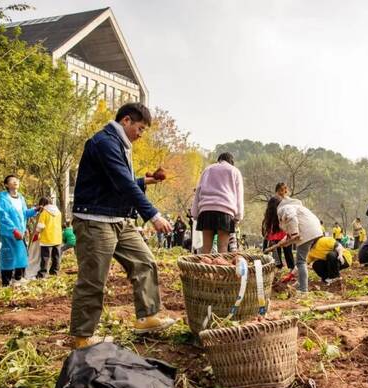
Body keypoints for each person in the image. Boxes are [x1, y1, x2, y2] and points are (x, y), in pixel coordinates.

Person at [71, 103, 175, 349]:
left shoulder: (119, 144)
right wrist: (153, 215)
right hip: (94, 220)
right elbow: (123, 183)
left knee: (144, 261)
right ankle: (83, 337)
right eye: (140, 128)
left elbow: (120, 181)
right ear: (126, 121)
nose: (141, 134)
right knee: (94, 278)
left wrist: (143, 180)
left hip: (117, 218)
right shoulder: (104, 142)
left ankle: (147, 316)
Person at [191, 152, 244, 254]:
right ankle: (220, 268)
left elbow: (198, 190)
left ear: (218, 160)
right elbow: (239, 195)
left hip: (206, 210)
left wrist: (195, 213)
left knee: (206, 248)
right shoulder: (235, 171)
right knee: (222, 247)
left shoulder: (207, 169)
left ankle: (203, 269)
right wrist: (238, 216)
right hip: (225, 211)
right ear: (231, 162)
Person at [0, 175, 38, 286]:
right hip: (9, 232)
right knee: (9, 256)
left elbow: (25, 213)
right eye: (12, 180)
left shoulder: (21, 198)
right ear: (6, 185)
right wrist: (13, 230)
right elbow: (3, 217)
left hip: (20, 232)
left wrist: (35, 210)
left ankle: (18, 279)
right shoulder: (3, 198)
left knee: (21, 255)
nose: (15, 182)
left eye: (17, 180)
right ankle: (6, 282)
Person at [276, 197, 323, 294]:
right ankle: (301, 284)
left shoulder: (285, 208)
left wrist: (294, 234)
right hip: (314, 230)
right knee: (302, 260)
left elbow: (291, 219)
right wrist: (283, 243)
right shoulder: (297, 208)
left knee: (300, 261)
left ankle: (303, 289)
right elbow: (290, 234)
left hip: (307, 232)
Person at [263, 196, 295, 270]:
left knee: (277, 255)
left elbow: (267, 226)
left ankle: (279, 268)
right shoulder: (281, 211)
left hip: (275, 236)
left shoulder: (269, 213)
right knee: (288, 253)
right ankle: (291, 268)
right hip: (284, 235)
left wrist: (267, 239)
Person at [35, 197, 63, 278]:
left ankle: (42, 274)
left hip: (47, 238)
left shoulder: (44, 212)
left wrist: (37, 232)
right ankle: (55, 272)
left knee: (45, 257)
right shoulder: (58, 212)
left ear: (42, 204)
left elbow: (41, 226)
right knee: (56, 256)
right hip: (57, 237)